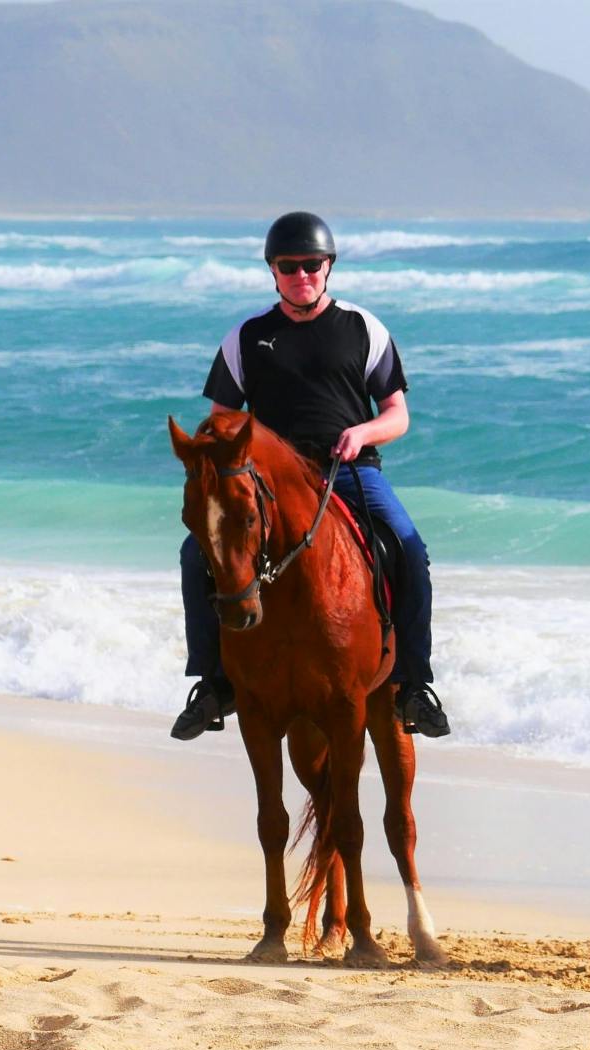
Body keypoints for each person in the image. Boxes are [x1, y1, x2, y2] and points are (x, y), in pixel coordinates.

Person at [172, 211, 450, 740]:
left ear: (329, 267)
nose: (301, 275)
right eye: (289, 266)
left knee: (410, 547)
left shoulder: (363, 328)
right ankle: (212, 682)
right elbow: (220, 421)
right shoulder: (247, 337)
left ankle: (414, 683)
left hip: (348, 470)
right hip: (268, 483)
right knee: (194, 553)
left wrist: (362, 434)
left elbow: (398, 413)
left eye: (312, 265)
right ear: (273, 271)